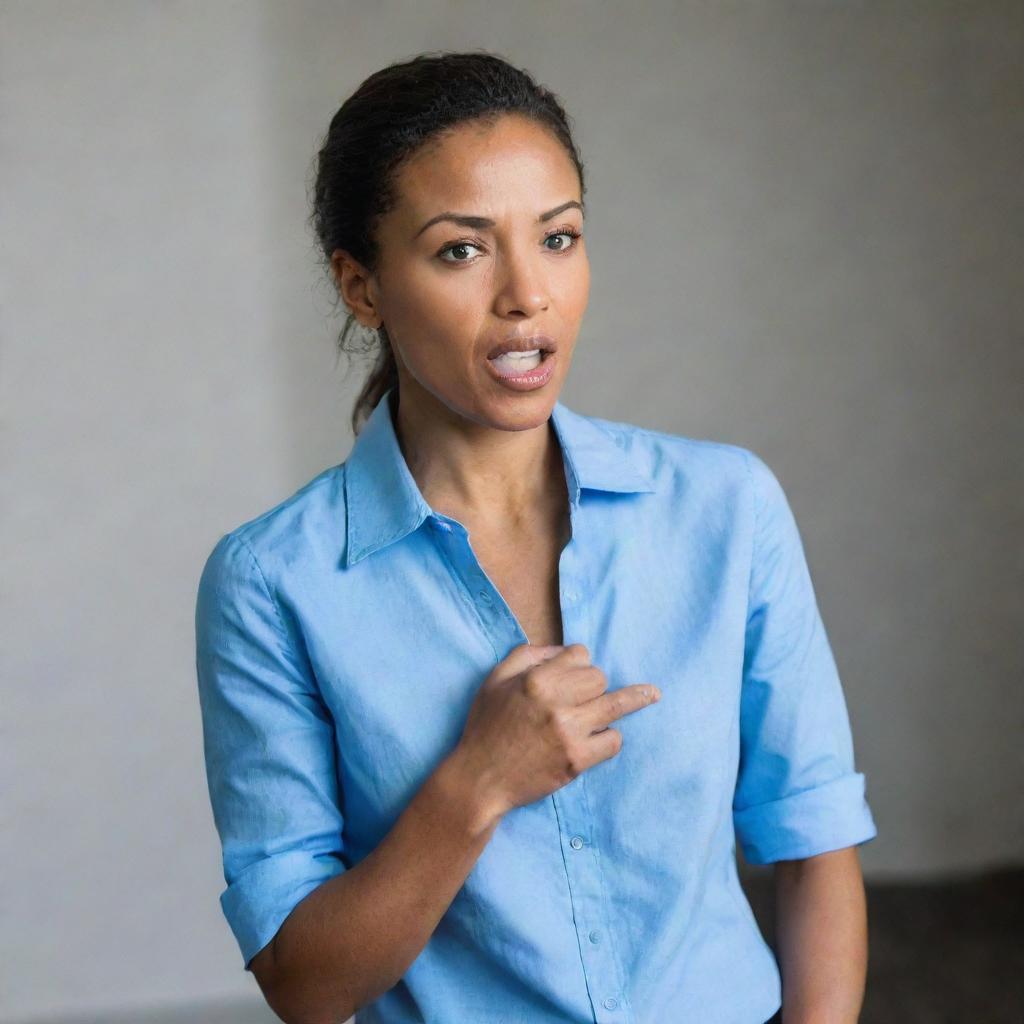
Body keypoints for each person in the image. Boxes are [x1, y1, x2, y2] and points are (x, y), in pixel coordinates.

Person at [194, 50, 878, 1024]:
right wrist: (473, 784)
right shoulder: (271, 582)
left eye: (557, 237)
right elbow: (305, 985)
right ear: (362, 286)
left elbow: (813, 845)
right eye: (461, 250)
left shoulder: (726, 507)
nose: (527, 293)